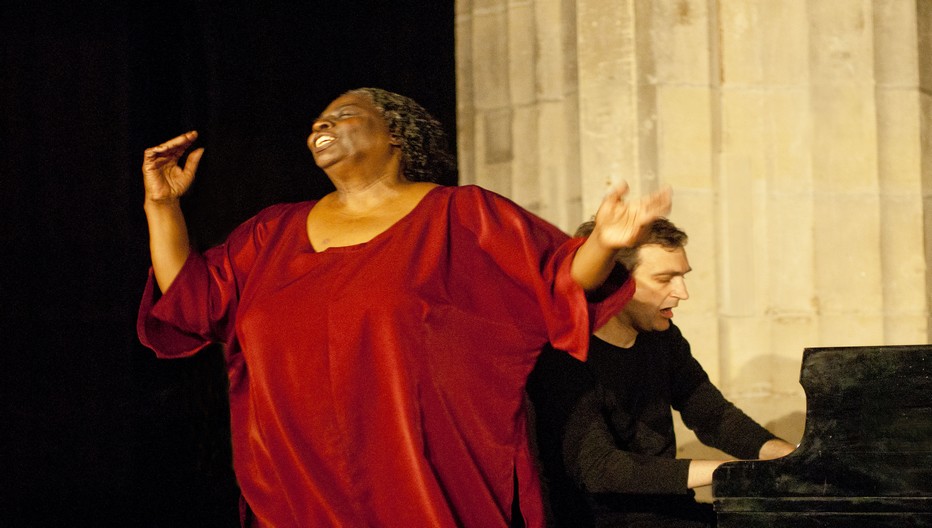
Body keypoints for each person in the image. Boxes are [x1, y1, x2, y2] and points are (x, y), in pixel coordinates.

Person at [137, 87, 673, 527]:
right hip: (294, 490)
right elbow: (191, 300)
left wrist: (603, 242)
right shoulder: (271, 232)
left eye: (343, 115)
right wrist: (162, 206)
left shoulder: (461, 215)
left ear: (395, 133)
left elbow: (557, 280)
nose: (320, 126)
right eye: (316, 121)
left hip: (418, 484)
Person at [527, 218, 795, 528]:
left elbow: (713, 415)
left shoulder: (662, 337)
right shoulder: (562, 354)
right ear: (614, 282)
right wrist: (733, 472)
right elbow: (600, 468)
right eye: (665, 278)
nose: (682, 292)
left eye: (682, 276)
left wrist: (785, 455)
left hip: (673, 514)